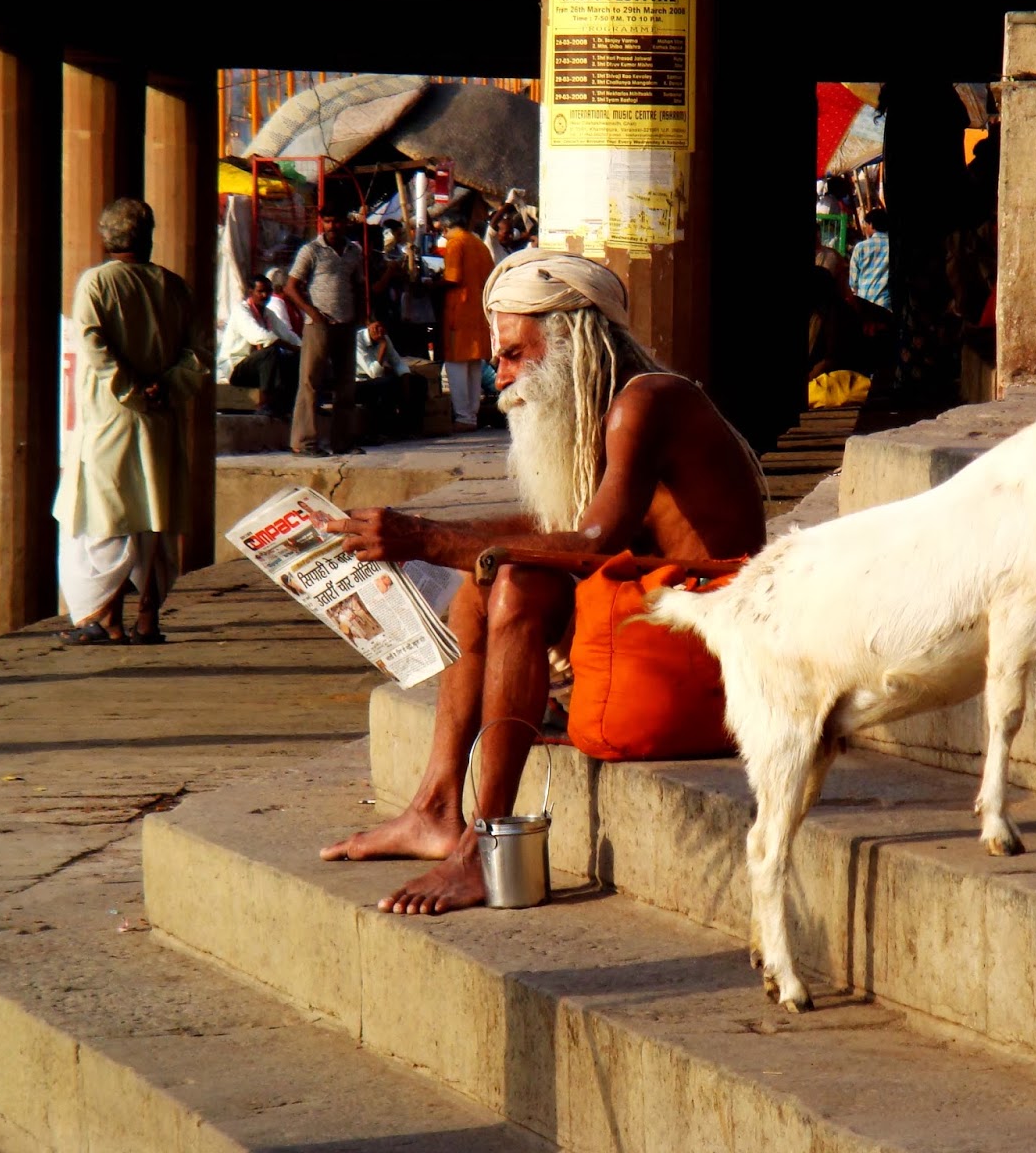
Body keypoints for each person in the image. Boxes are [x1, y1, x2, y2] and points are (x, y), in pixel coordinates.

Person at [318, 248, 768, 914]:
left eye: (511, 354)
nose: (499, 376)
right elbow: (559, 523)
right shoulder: (614, 409)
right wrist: (416, 533)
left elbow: (592, 542)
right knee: (483, 582)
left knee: (516, 582)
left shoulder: (649, 404)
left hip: (703, 659)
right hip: (653, 633)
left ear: (568, 340)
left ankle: (481, 847)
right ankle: (438, 806)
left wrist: (429, 539)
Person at [52, 198, 207, 646]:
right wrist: (165, 387)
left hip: (112, 417)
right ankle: (147, 619)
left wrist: (133, 390)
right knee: (151, 515)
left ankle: (104, 619)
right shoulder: (174, 286)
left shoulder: (96, 283)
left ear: (106, 238)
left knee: (107, 519)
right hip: (160, 417)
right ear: (149, 235)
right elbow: (197, 355)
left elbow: (94, 347)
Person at [284, 204, 366, 457]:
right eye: (328, 221)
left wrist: (360, 315)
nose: (332, 226)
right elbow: (291, 287)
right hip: (318, 325)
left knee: (345, 385)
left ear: (346, 222)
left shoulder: (354, 251)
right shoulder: (311, 251)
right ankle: (304, 442)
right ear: (322, 223)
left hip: (346, 324)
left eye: (337, 221)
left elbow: (359, 284)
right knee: (310, 382)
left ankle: (342, 441)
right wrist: (313, 314)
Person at [436, 195, 495, 432]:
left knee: (457, 367)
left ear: (449, 227)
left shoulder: (456, 243)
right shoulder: (479, 244)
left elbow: (452, 278)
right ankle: (471, 415)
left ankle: (463, 416)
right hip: (478, 314)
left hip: (459, 313)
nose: (442, 235)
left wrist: (431, 284)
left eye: (442, 231)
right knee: (472, 366)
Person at [217, 274, 301, 416]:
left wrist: (302, 348)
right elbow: (259, 336)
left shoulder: (268, 314)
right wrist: (290, 346)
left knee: (296, 358)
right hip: (237, 367)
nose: (265, 295)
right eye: (260, 291)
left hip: (258, 368)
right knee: (270, 352)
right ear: (251, 292)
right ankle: (264, 403)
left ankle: (293, 404)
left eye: (268, 292)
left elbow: (288, 335)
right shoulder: (241, 311)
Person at [354, 319, 426, 442]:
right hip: (360, 382)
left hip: (379, 378)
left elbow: (397, 362)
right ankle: (387, 429)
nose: (380, 331)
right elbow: (373, 373)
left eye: (382, 327)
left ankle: (411, 428)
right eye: (376, 327)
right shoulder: (358, 340)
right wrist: (382, 347)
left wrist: (405, 376)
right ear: (368, 325)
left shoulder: (385, 338)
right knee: (388, 383)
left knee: (418, 382)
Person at [848, 206, 891, 314]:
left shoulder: (860, 247)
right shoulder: (894, 247)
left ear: (871, 225)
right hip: (886, 305)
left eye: (866, 224)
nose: (865, 227)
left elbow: (853, 282)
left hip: (864, 304)